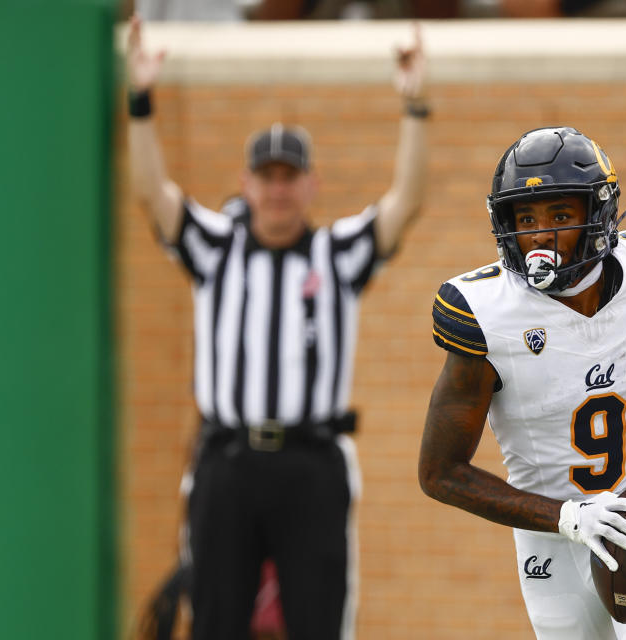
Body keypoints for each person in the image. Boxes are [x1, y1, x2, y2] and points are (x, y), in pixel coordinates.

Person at [126, 15, 430, 640]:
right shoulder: (216, 247)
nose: (278, 190)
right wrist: (140, 101)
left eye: (290, 177)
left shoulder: (336, 253)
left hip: (311, 462)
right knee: (216, 618)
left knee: (319, 620)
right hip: (228, 461)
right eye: (267, 178)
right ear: (247, 184)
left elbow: (406, 201)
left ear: (310, 184)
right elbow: (153, 193)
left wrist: (416, 105)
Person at [419, 127, 626, 639]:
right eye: (525, 218)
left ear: (598, 215)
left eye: (560, 215)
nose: (540, 236)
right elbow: (440, 472)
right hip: (551, 537)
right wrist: (569, 518)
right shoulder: (486, 311)